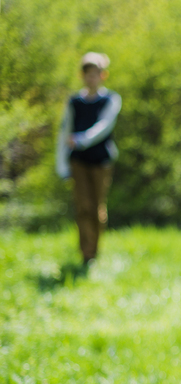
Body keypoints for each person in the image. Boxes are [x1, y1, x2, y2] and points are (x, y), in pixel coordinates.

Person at [56, 52, 122, 266]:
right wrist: (61, 163)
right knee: (83, 207)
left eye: (95, 74)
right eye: (87, 74)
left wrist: (82, 139)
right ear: (82, 76)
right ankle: (86, 254)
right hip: (79, 162)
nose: (91, 78)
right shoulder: (74, 101)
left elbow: (103, 127)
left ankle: (95, 249)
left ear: (103, 75)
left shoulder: (111, 99)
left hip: (101, 161)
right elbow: (64, 131)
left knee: (97, 208)